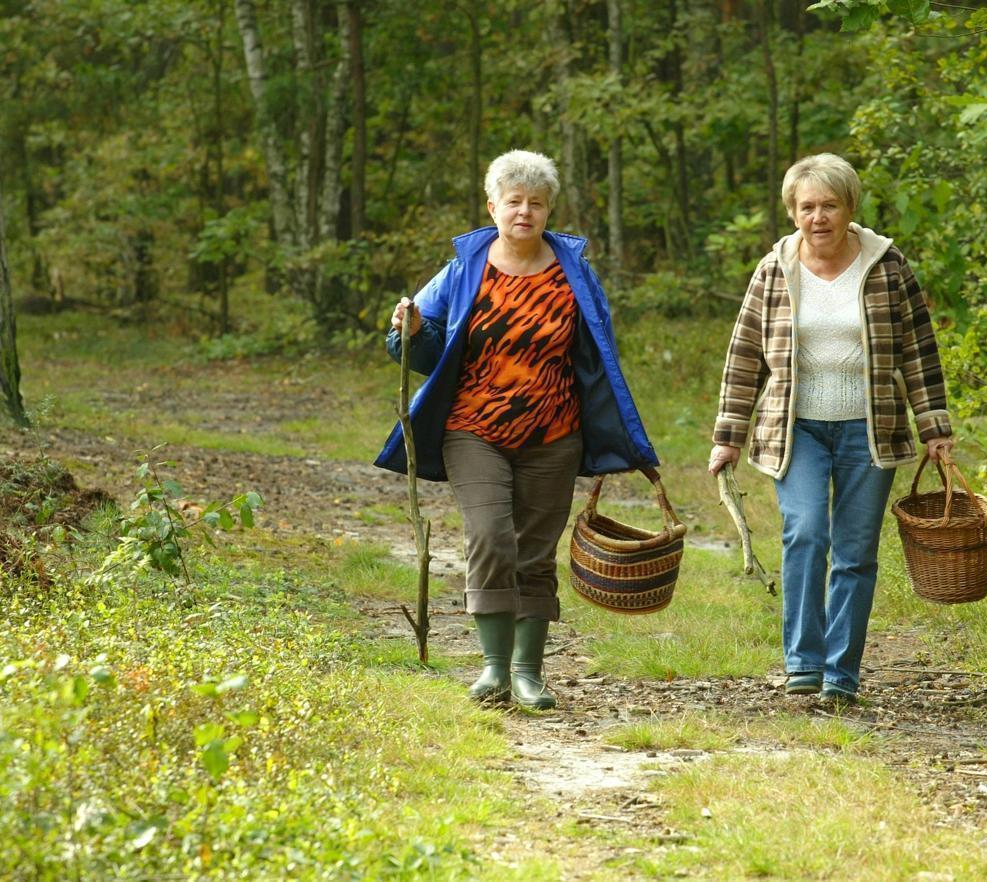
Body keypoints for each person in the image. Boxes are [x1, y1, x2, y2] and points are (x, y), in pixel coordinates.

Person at [375, 149, 659, 710]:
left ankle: (529, 673)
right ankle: (492, 668)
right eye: (513, 201)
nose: (524, 211)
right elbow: (413, 346)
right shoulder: (463, 269)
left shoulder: (573, 273)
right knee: (490, 536)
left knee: (534, 550)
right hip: (473, 428)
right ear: (493, 206)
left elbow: (599, 356)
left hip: (554, 434)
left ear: (549, 209)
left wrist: (616, 430)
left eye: (535, 202)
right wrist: (407, 327)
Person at [707, 153, 955, 705]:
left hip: (870, 428)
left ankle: (841, 673)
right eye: (807, 207)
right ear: (793, 211)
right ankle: (803, 661)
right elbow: (745, 353)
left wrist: (934, 425)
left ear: (849, 208)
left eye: (829, 205)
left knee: (855, 551)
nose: (818, 217)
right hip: (795, 428)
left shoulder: (887, 265)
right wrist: (728, 434)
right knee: (806, 533)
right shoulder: (774, 269)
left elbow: (919, 350)